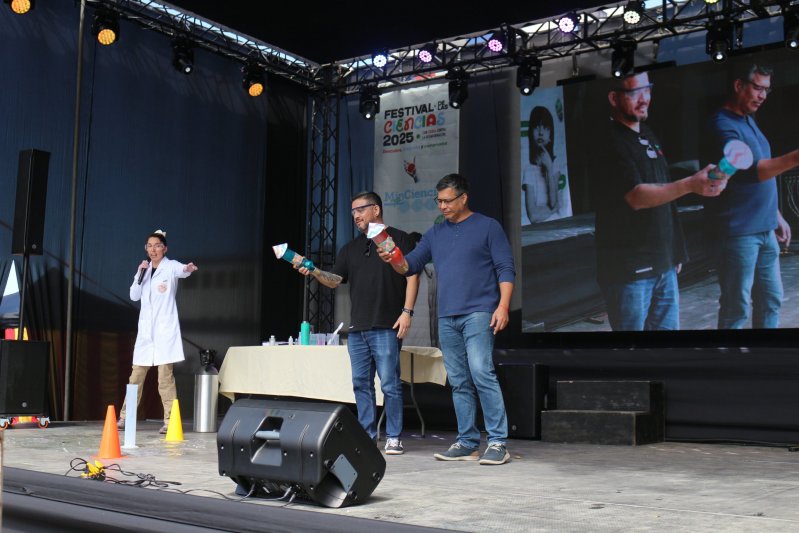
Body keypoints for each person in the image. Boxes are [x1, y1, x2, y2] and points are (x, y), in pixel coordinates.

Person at [379, 173, 515, 466]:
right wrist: (393, 259)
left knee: (481, 371)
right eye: (438, 201)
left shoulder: (487, 227)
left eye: (447, 201)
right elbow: (410, 266)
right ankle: (467, 442)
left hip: (479, 311)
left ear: (464, 198)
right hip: (447, 316)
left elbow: (505, 268)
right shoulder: (435, 233)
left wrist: (503, 306)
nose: (442, 206)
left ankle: (497, 442)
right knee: (458, 380)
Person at [594, 71, 722, 331]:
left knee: (666, 347)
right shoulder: (609, 141)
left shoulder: (648, 134)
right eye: (634, 92)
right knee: (632, 350)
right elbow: (637, 196)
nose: (644, 99)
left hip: (663, 264)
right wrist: (690, 184)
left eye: (647, 89)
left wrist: (674, 251)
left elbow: (664, 191)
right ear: (614, 98)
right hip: (629, 270)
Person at [296, 192, 419, 455]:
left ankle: (394, 436)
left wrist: (407, 312)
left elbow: (412, 275)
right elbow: (334, 280)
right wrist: (314, 271)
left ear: (376, 209)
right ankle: (366, 436)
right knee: (361, 384)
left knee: (389, 384)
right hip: (358, 328)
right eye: (352, 212)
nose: (355, 216)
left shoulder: (398, 238)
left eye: (360, 210)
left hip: (387, 324)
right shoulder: (350, 248)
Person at [704, 64, 797, 329]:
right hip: (738, 233)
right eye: (757, 88)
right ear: (738, 85)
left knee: (771, 300)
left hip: (764, 229)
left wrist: (775, 215)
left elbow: (760, 174)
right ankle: (728, 355)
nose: (762, 96)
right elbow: (753, 171)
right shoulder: (722, 125)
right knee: (737, 307)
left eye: (766, 90)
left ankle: (763, 352)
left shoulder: (748, 120)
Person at [118, 230, 198, 434]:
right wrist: (139, 275)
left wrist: (188, 268)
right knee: (135, 377)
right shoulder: (143, 269)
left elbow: (182, 270)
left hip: (164, 332)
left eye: (157, 246)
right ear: (146, 249)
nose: (153, 249)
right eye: (149, 246)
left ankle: (170, 420)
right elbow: (134, 296)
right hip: (146, 334)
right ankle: (126, 417)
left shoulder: (170, 266)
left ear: (165, 248)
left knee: (165, 378)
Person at [523, 106, 560, 223]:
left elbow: (553, 202)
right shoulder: (529, 169)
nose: (540, 132)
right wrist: (552, 210)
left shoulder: (555, 164)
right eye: (536, 127)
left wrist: (549, 167)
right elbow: (533, 216)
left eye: (545, 128)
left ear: (551, 135)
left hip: (558, 224)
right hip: (540, 229)